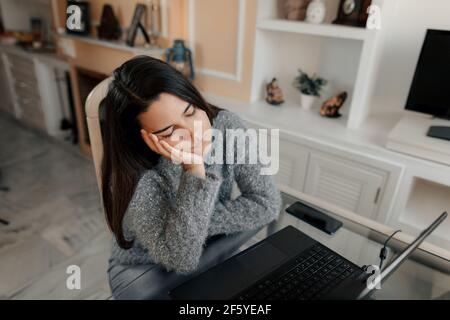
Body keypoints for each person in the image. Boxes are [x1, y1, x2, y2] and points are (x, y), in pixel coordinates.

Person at [100, 55, 282, 299]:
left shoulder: (226, 125)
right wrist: (193, 168)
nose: (192, 132)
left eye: (190, 111)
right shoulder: (133, 175)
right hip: (145, 268)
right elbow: (181, 258)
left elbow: (268, 203)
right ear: (141, 138)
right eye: (168, 131)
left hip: (208, 243)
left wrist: (193, 225)